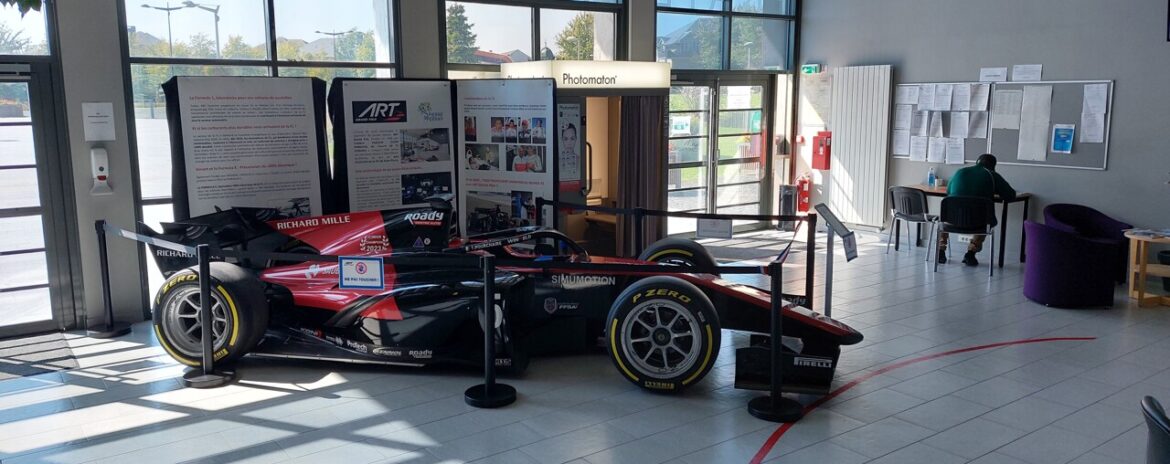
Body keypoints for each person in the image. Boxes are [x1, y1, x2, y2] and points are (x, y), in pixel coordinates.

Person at [938, 154, 1016, 266]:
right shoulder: (992, 175)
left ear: (977, 162)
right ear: (993, 166)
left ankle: (941, 251)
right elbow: (1010, 195)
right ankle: (970, 253)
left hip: (952, 220)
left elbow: (948, 193)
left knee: (945, 215)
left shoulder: (959, 172)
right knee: (986, 219)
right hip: (978, 223)